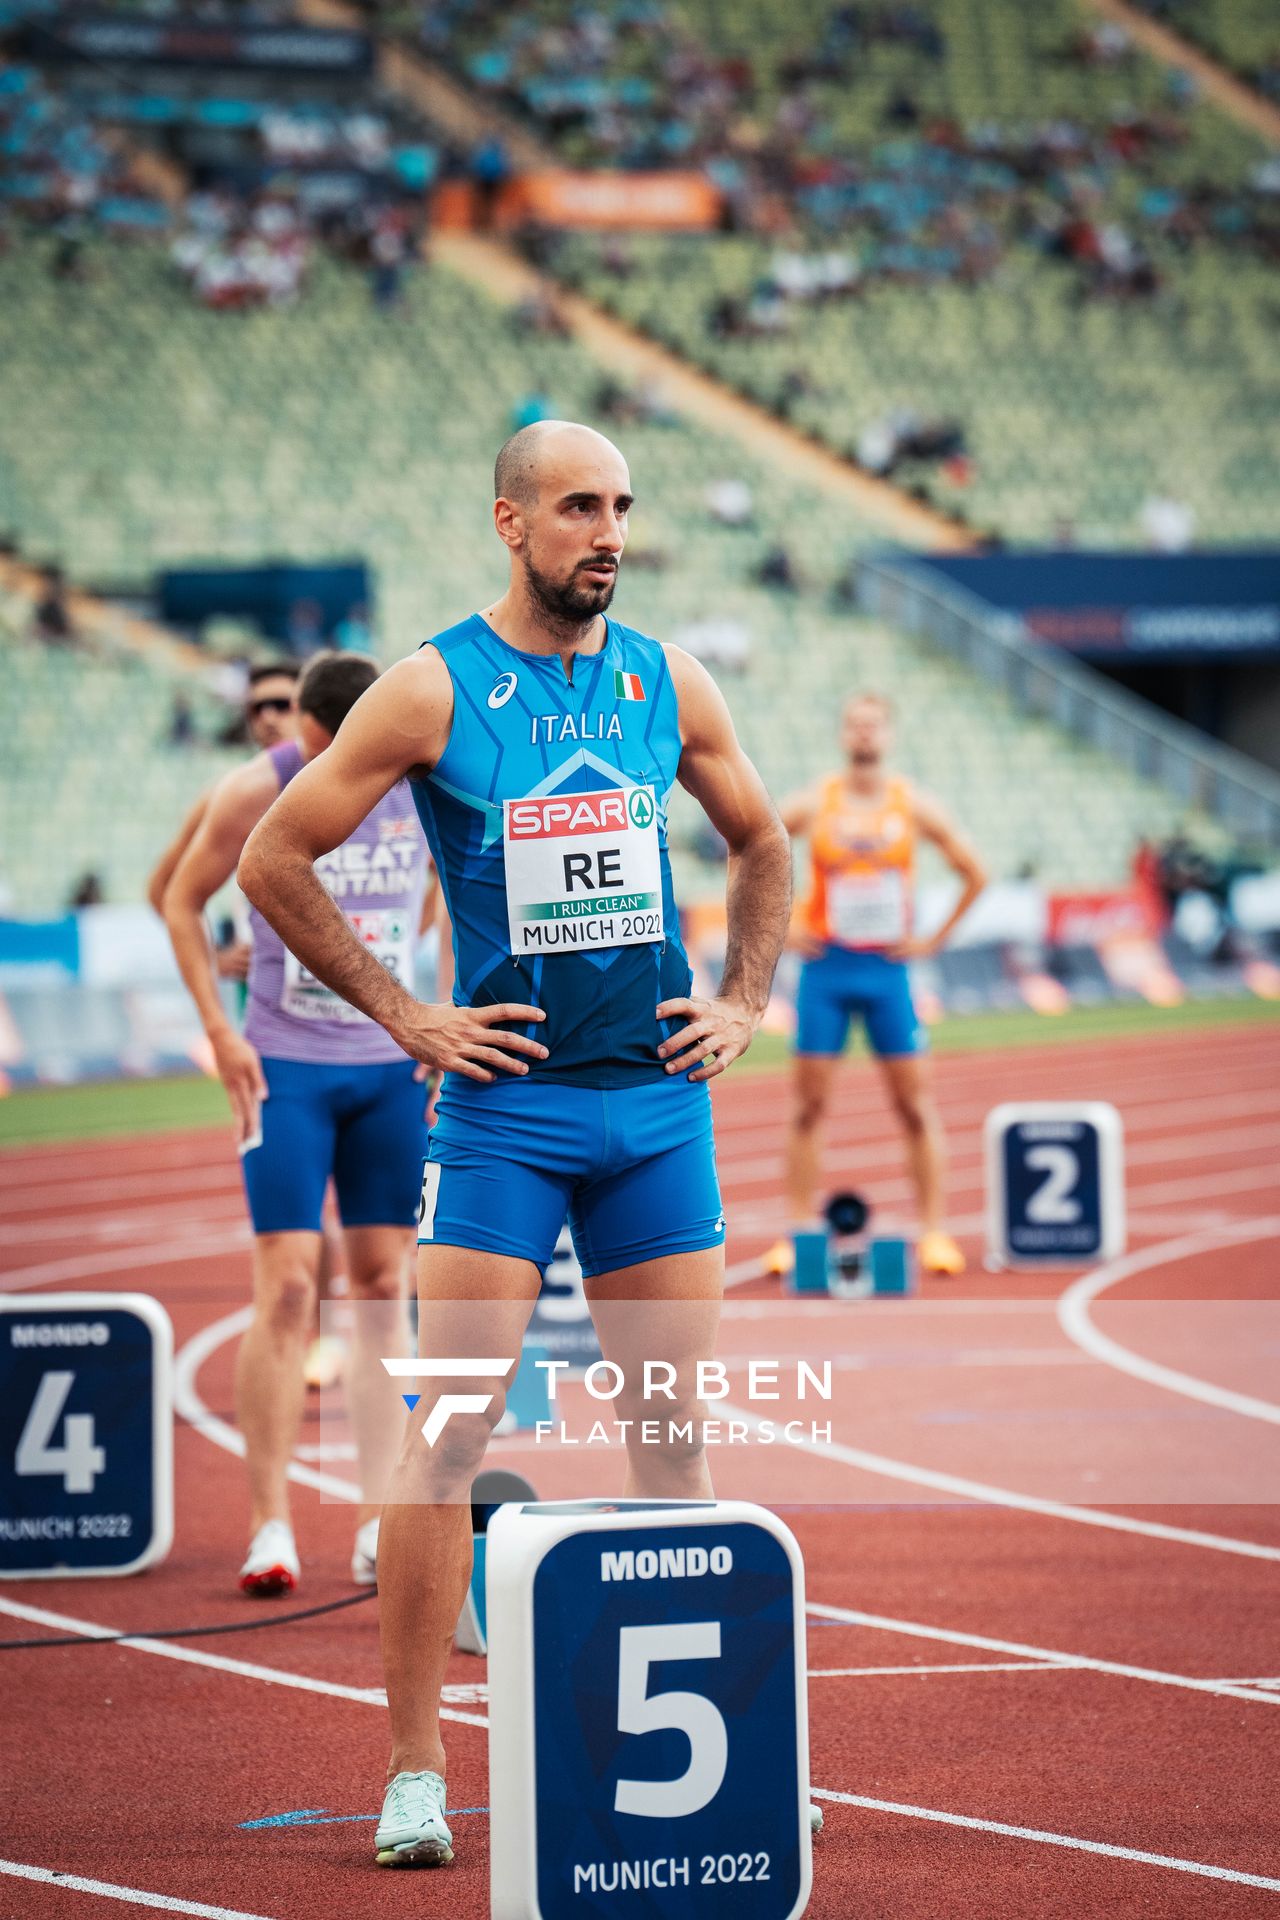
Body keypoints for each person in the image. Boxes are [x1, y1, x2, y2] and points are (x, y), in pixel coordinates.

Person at [237, 420, 792, 1868]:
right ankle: (416, 1773)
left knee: (671, 1444)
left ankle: (717, 1763)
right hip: (505, 1115)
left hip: (660, 1111)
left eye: (621, 508)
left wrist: (741, 998)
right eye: (577, 508)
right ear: (509, 521)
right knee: (446, 1441)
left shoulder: (670, 677)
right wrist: (407, 1014)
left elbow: (764, 840)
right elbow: (273, 860)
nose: (607, 532)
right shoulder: (428, 690)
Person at [163, 651, 432, 1595]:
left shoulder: (422, 777)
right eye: (314, 749)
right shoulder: (261, 787)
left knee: (382, 1285)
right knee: (285, 1288)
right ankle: (270, 1524)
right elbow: (180, 897)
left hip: (388, 1070)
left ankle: (373, 1522)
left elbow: (443, 892)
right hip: (287, 1066)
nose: (318, 758)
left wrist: (424, 1009)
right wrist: (219, 1033)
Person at [766, 692, 986, 1280]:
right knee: (808, 1107)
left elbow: (975, 872)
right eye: (855, 725)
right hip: (827, 970)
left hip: (889, 973)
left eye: (873, 725)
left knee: (914, 1105)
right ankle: (796, 1233)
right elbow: (748, 848)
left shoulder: (912, 804)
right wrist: (782, 924)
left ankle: (935, 1231)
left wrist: (934, 938)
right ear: (844, 734)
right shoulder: (815, 801)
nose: (864, 734)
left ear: (888, 735)